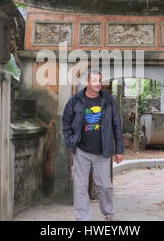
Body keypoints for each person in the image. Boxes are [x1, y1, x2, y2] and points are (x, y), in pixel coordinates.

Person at [62, 69, 124, 221]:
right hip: (81, 151)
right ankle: (83, 217)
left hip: (103, 151)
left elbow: (117, 124)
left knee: (105, 186)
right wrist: (71, 142)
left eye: (99, 81)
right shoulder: (75, 100)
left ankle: (108, 213)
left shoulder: (109, 101)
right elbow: (65, 122)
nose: (98, 84)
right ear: (87, 83)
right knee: (80, 186)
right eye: (95, 81)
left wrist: (119, 150)